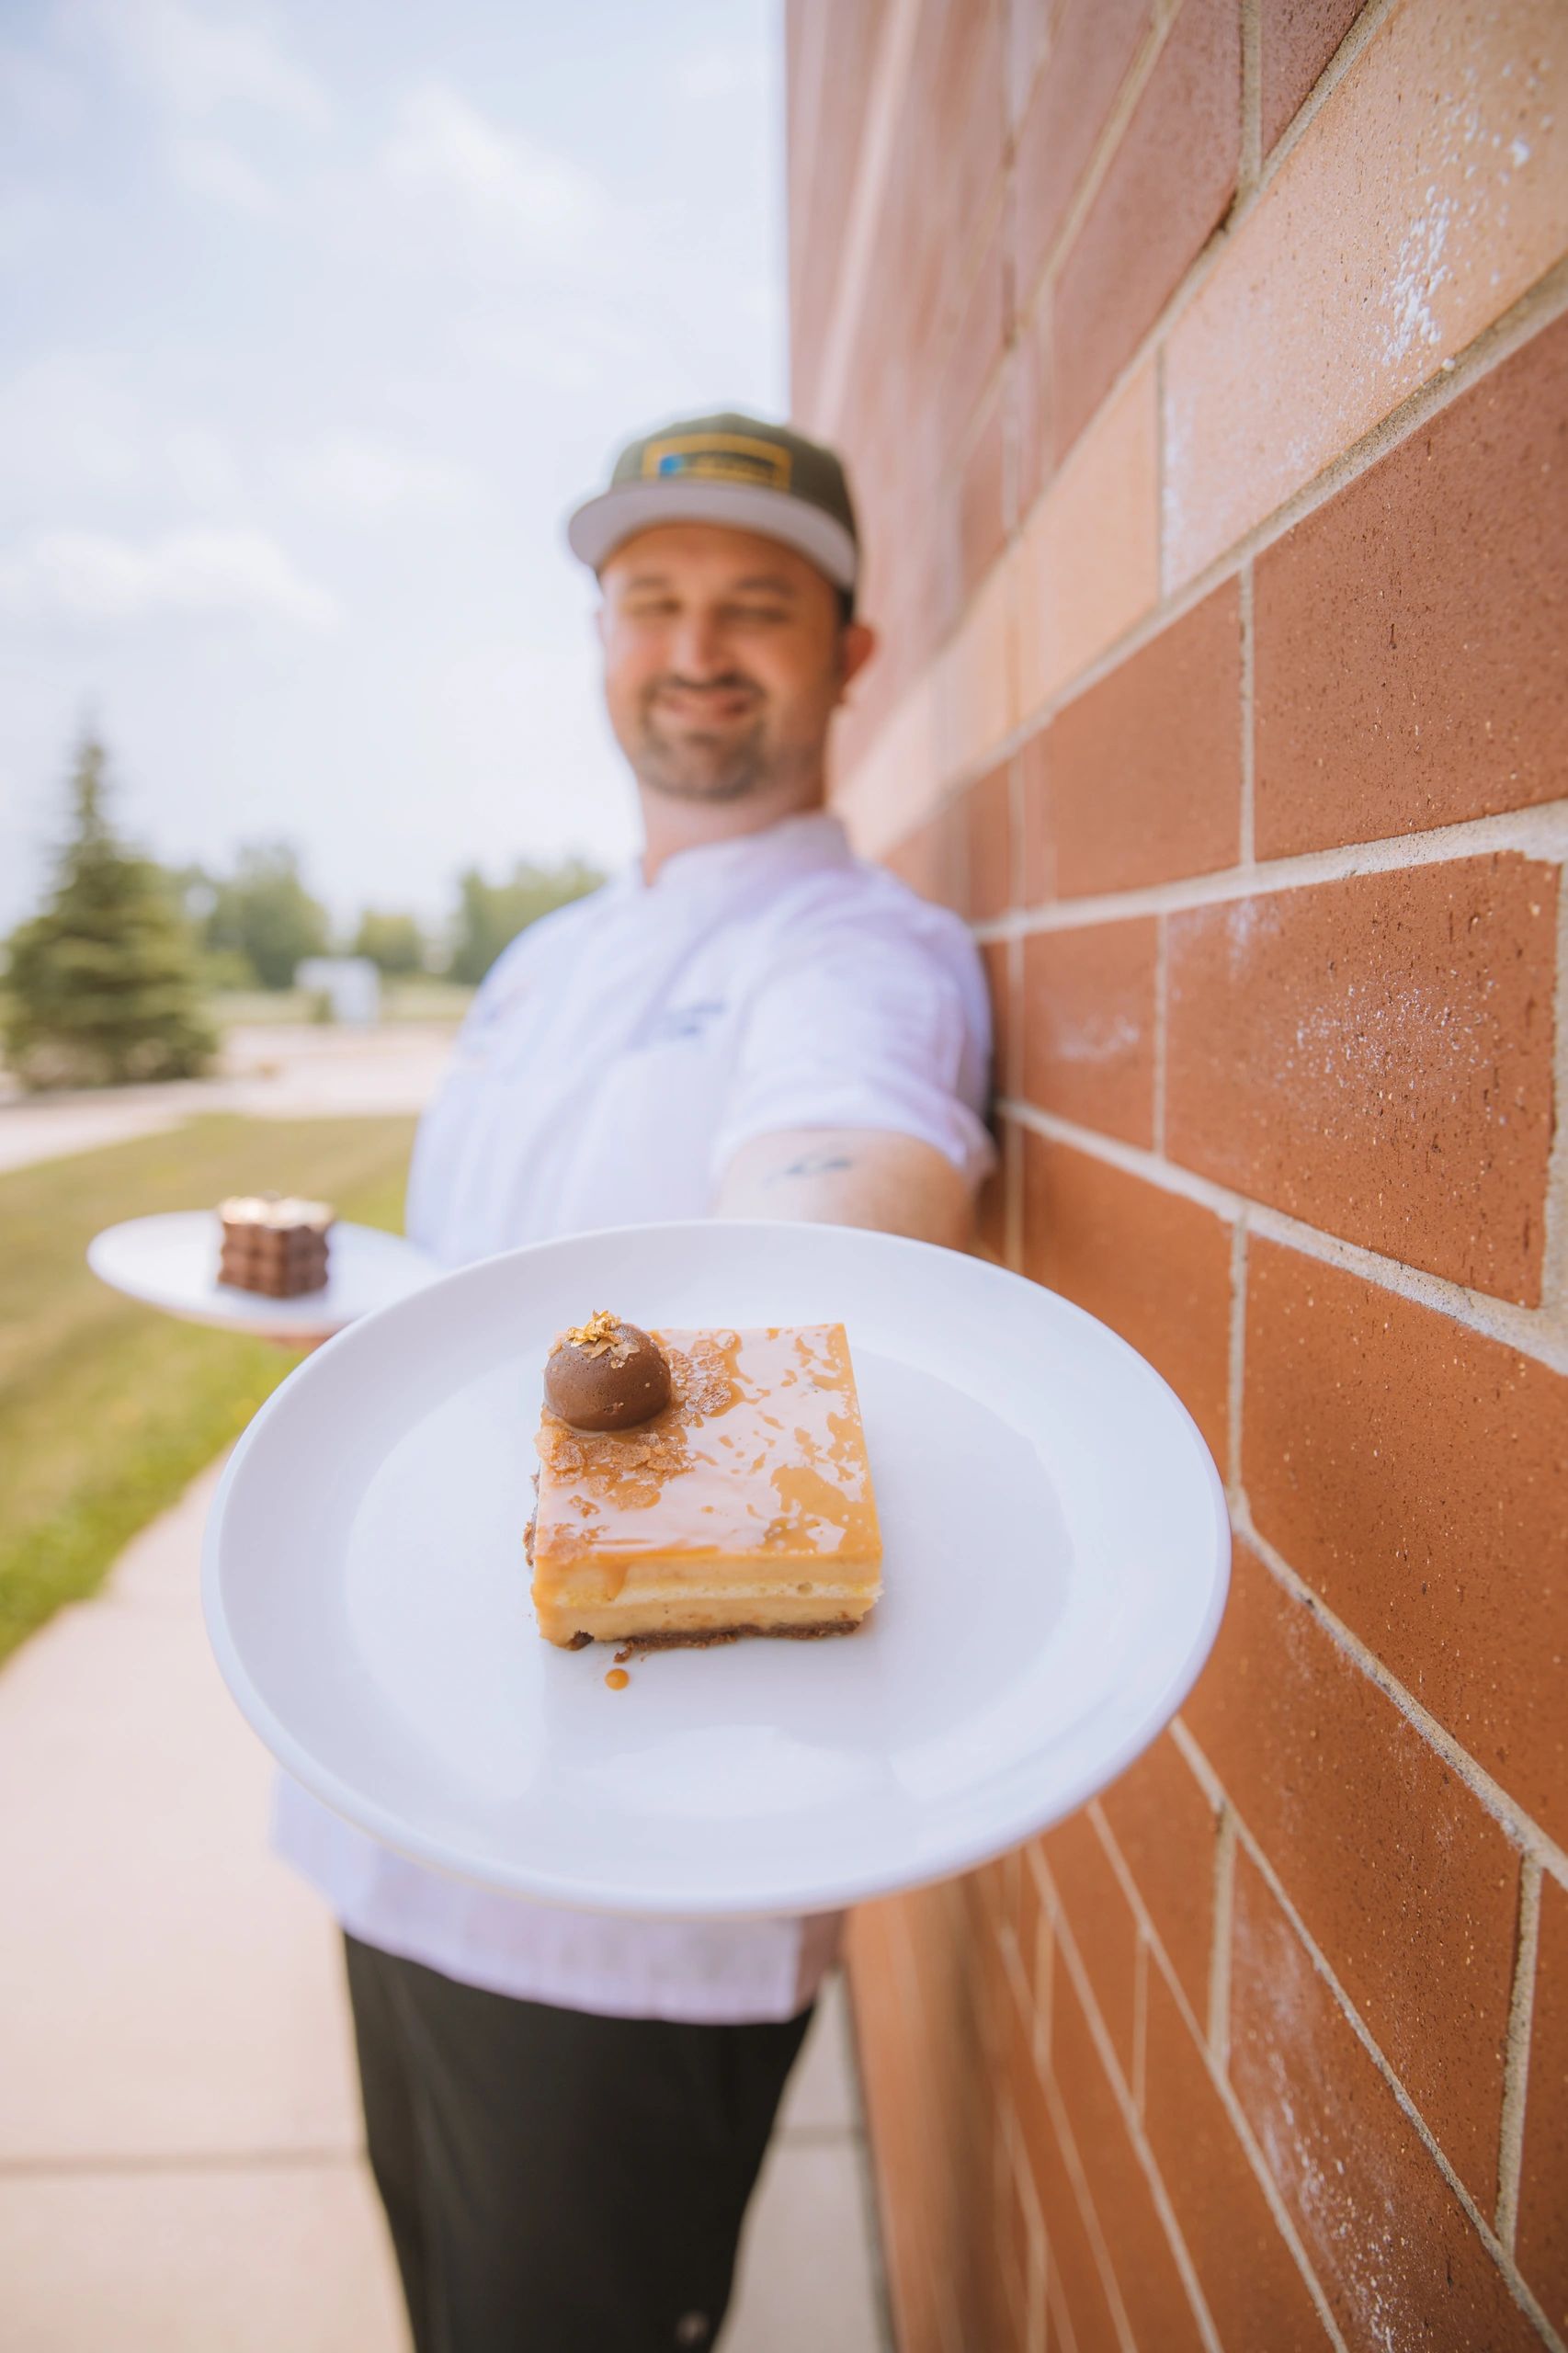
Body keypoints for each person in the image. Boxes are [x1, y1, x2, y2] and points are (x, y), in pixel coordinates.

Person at [273, 411, 994, 2352]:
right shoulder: (539, 960)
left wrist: (772, 1282)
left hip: (627, 1879)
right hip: (388, 1801)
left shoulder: (860, 951)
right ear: (599, 640)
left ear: (848, 655)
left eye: (756, 605)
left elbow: (838, 1215)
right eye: (650, 600)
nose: (695, 646)